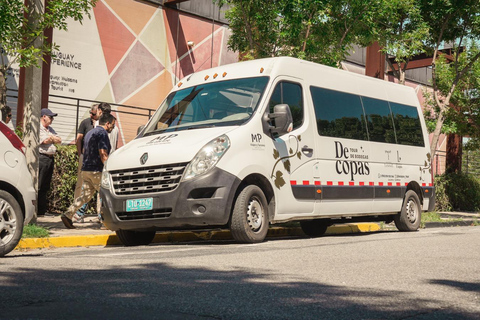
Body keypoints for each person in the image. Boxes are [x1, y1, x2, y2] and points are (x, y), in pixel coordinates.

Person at [61, 113, 116, 229]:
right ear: (107, 123)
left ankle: (68, 214)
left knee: (85, 196)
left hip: (86, 169)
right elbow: (103, 153)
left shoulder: (90, 133)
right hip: (97, 170)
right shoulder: (102, 133)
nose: (113, 128)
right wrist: (108, 168)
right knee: (104, 195)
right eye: (112, 125)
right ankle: (105, 221)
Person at [72, 104, 99, 223]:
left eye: (93, 113)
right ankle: (76, 211)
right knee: (81, 184)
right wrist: (80, 155)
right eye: (90, 113)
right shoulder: (85, 123)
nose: (91, 115)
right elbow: (79, 139)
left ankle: (100, 214)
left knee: (96, 187)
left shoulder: (103, 124)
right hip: (86, 157)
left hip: (97, 160)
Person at [38, 108, 62, 216]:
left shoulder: (50, 129)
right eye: (50, 117)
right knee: (39, 184)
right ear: (44, 117)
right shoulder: (39, 128)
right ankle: (37, 211)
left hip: (50, 159)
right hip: (42, 158)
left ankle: (42, 211)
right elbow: (45, 141)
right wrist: (52, 138)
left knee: (45, 186)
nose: (52, 119)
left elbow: (59, 140)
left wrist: (51, 137)